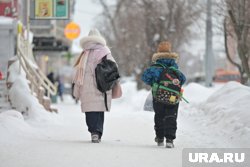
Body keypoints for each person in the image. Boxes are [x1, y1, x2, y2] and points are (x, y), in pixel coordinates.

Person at [72, 28, 118, 143]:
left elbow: (78, 74)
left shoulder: (84, 54)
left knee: (90, 110)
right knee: (99, 110)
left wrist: (76, 92)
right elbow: (113, 68)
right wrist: (114, 83)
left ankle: (93, 132)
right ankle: (98, 132)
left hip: (86, 87)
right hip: (101, 85)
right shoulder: (105, 52)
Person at [141, 41, 186, 148]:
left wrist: (154, 83)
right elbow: (183, 79)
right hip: (173, 96)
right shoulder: (174, 67)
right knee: (171, 116)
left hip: (158, 95)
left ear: (158, 53)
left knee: (159, 115)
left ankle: (160, 137)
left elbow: (145, 78)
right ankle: (170, 139)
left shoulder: (155, 67)